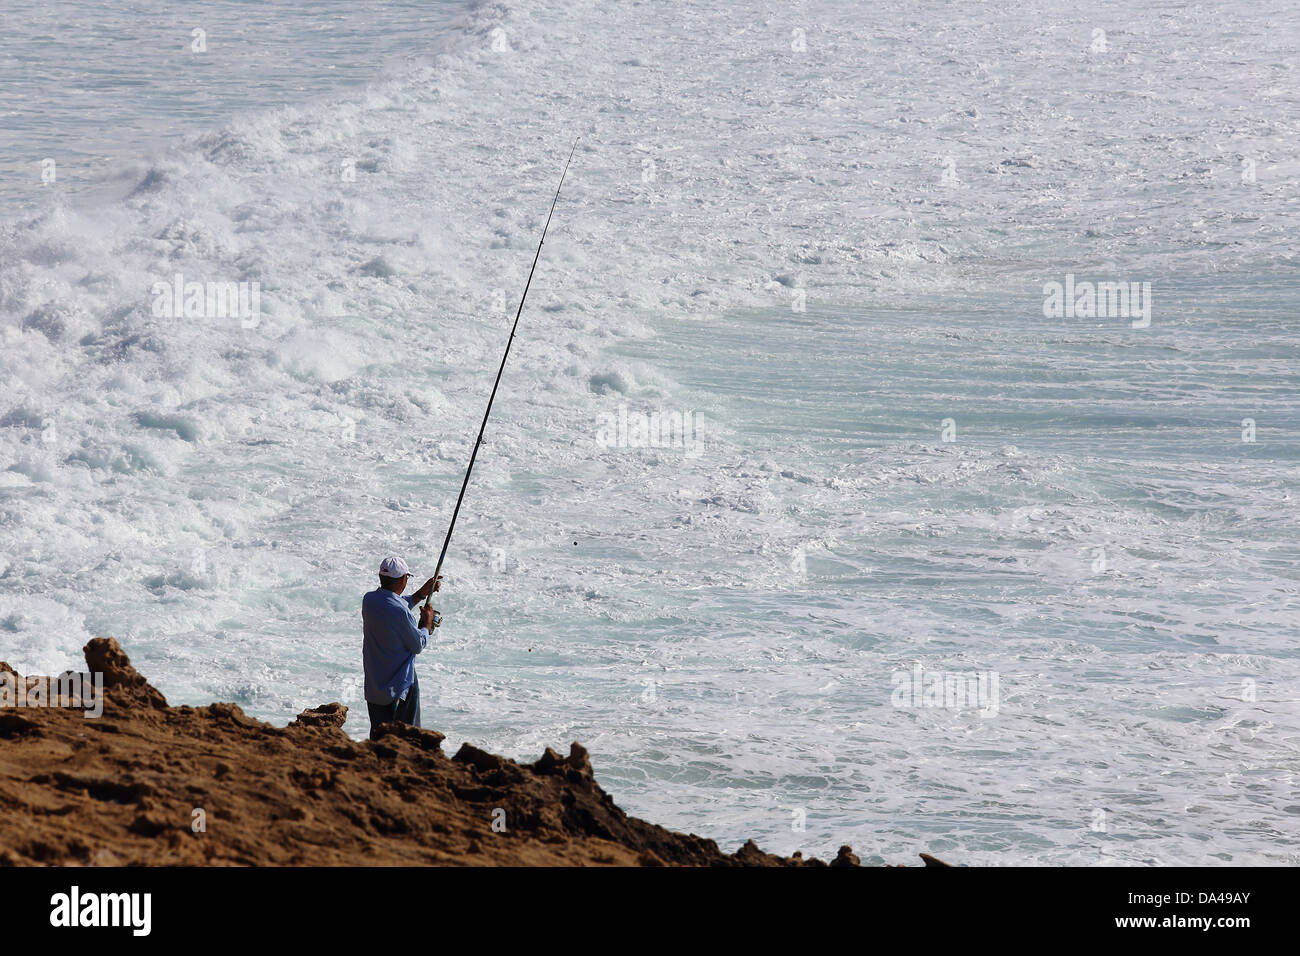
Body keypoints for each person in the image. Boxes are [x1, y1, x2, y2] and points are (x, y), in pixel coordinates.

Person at [361, 555, 441, 740]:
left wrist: (420, 594)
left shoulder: (369, 600)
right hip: (399, 689)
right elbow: (418, 644)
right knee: (407, 740)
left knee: (380, 738)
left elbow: (393, 605)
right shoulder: (400, 611)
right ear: (404, 580)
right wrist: (426, 624)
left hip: (375, 688)